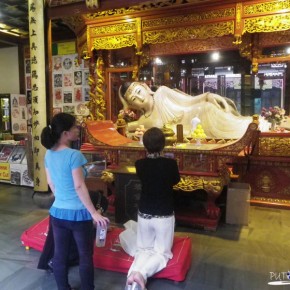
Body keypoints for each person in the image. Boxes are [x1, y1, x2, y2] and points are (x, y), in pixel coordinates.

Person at [41, 112, 109, 290]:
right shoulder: (74, 155)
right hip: (79, 214)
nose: (78, 130)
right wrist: (94, 213)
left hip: (58, 212)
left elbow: (51, 183)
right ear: (65, 133)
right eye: (75, 127)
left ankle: (63, 288)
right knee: (85, 255)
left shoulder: (48, 154)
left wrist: (63, 198)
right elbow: (79, 186)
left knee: (60, 254)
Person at [125, 127, 180, 290]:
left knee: (143, 249)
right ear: (163, 145)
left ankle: (131, 281)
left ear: (145, 145)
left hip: (144, 212)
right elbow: (175, 181)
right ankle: (142, 274)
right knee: (161, 253)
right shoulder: (170, 164)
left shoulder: (140, 164)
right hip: (163, 214)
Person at [119, 82, 255, 139]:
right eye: (133, 98)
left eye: (138, 91)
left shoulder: (162, 93)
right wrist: (120, 124)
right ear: (132, 105)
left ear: (145, 87)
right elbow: (127, 128)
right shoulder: (144, 119)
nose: (139, 97)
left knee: (238, 127)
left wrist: (207, 96)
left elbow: (189, 100)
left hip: (199, 114)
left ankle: (253, 127)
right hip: (187, 133)